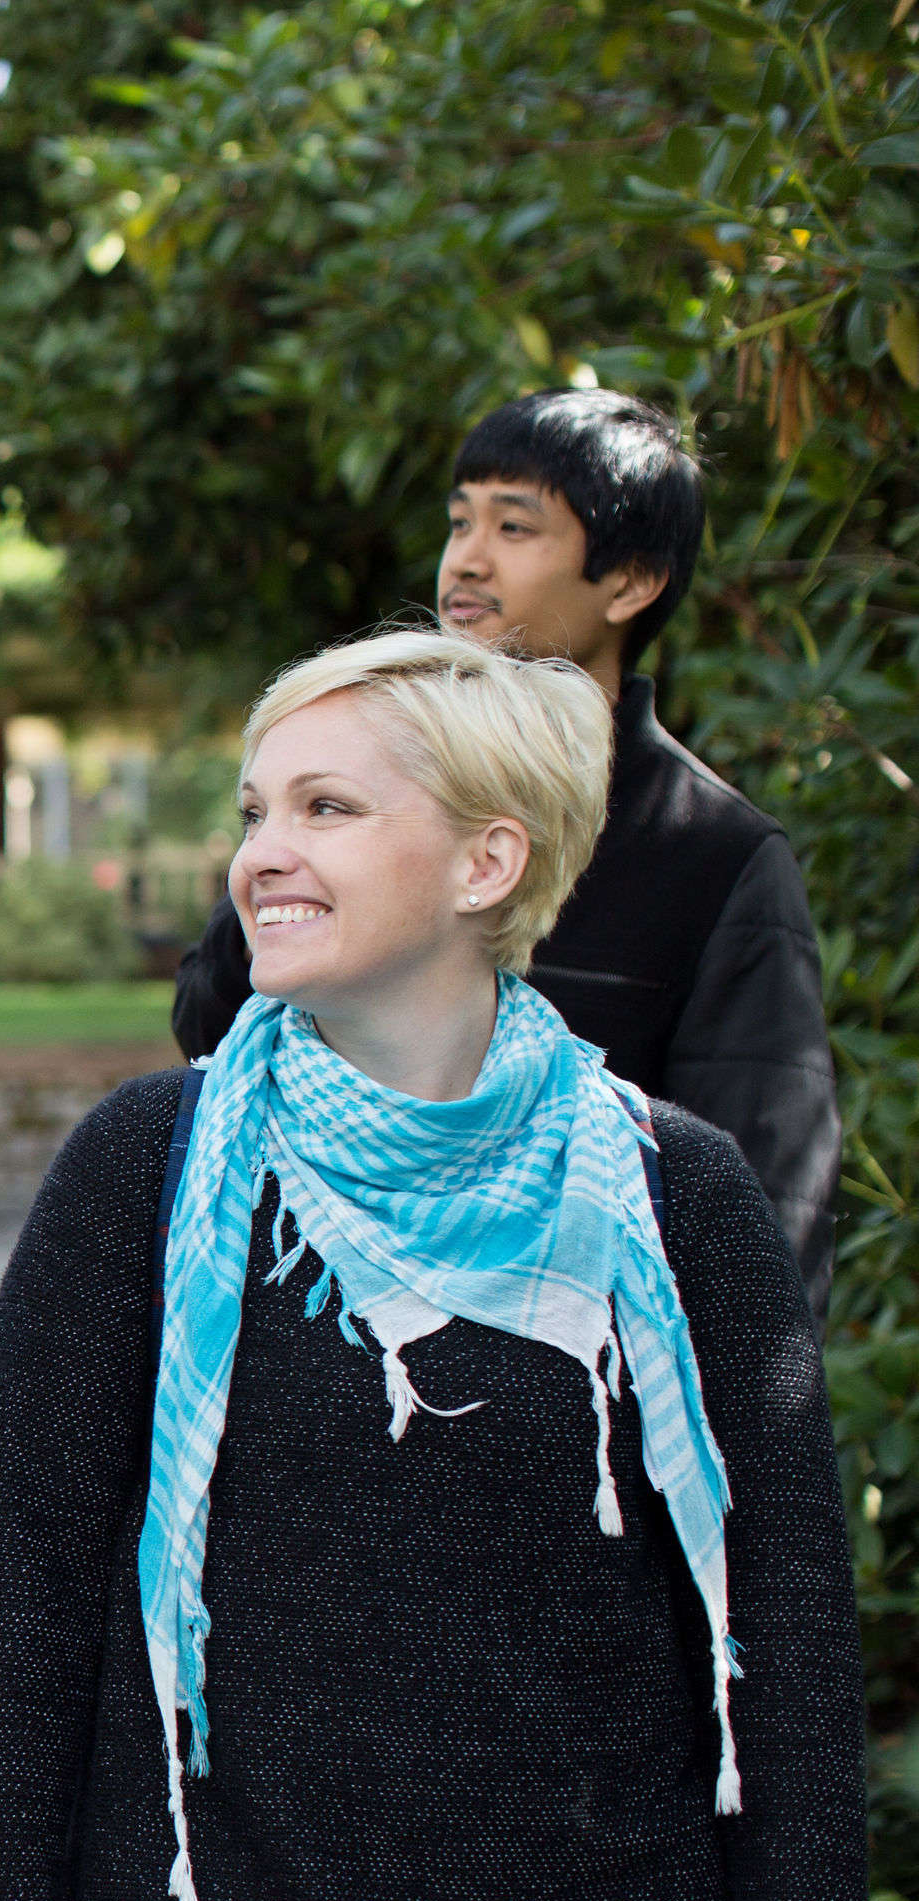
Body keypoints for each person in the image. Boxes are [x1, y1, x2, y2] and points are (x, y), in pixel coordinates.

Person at [0, 628, 862, 1901]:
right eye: (255, 808)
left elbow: (780, 1615)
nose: (262, 850)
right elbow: (27, 1578)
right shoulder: (145, 1167)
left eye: (328, 806)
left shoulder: (680, 1194)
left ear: (487, 859)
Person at [172, 391, 838, 1321]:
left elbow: (768, 1202)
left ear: (631, 582)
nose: (466, 561)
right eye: (459, 520)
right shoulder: (359, 780)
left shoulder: (714, 853)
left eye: (515, 526)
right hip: (308, 1321)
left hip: (576, 1378)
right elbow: (214, 1027)